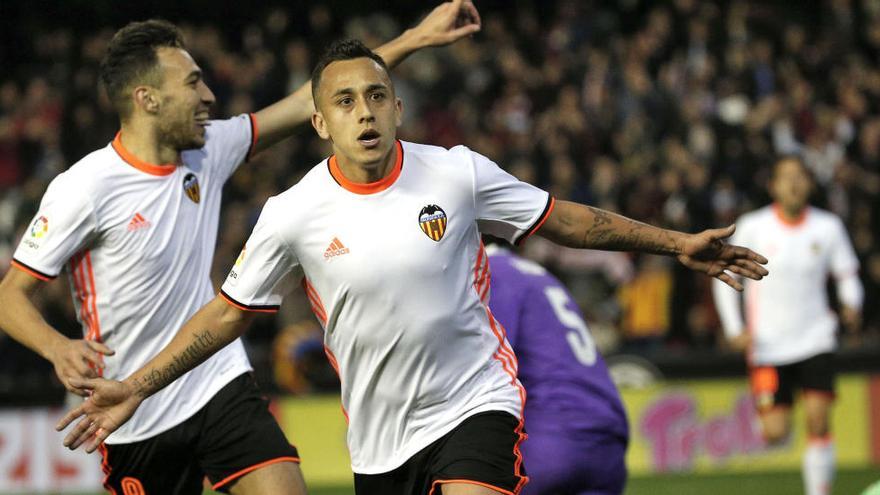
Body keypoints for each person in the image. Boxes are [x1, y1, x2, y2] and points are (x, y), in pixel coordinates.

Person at [57, 39, 767, 495]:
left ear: (397, 107)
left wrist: (676, 243)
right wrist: (136, 386)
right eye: (344, 101)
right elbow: (225, 315)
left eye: (375, 97)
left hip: (475, 404)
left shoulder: (456, 173)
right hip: (378, 443)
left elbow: (568, 219)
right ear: (319, 122)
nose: (363, 113)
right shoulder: (292, 212)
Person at [0, 4, 482, 494]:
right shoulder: (84, 188)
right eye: (191, 83)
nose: (208, 95)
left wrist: (414, 38)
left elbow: (306, 101)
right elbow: (8, 296)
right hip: (134, 410)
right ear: (146, 98)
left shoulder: (208, 150)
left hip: (216, 381)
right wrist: (57, 347)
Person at [712, 156, 863, 495]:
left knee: (818, 419)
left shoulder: (828, 228)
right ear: (774, 185)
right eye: (786, 177)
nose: (793, 183)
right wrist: (734, 328)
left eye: (800, 177)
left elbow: (848, 274)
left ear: (809, 183)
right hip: (767, 344)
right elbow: (723, 275)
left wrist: (852, 304)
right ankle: (772, 420)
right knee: (776, 432)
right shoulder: (753, 226)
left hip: (815, 338)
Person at [485, 239, 629, 495]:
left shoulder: (489, 275)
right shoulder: (536, 274)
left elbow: (487, 365)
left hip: (550, 434)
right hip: (607, 434)